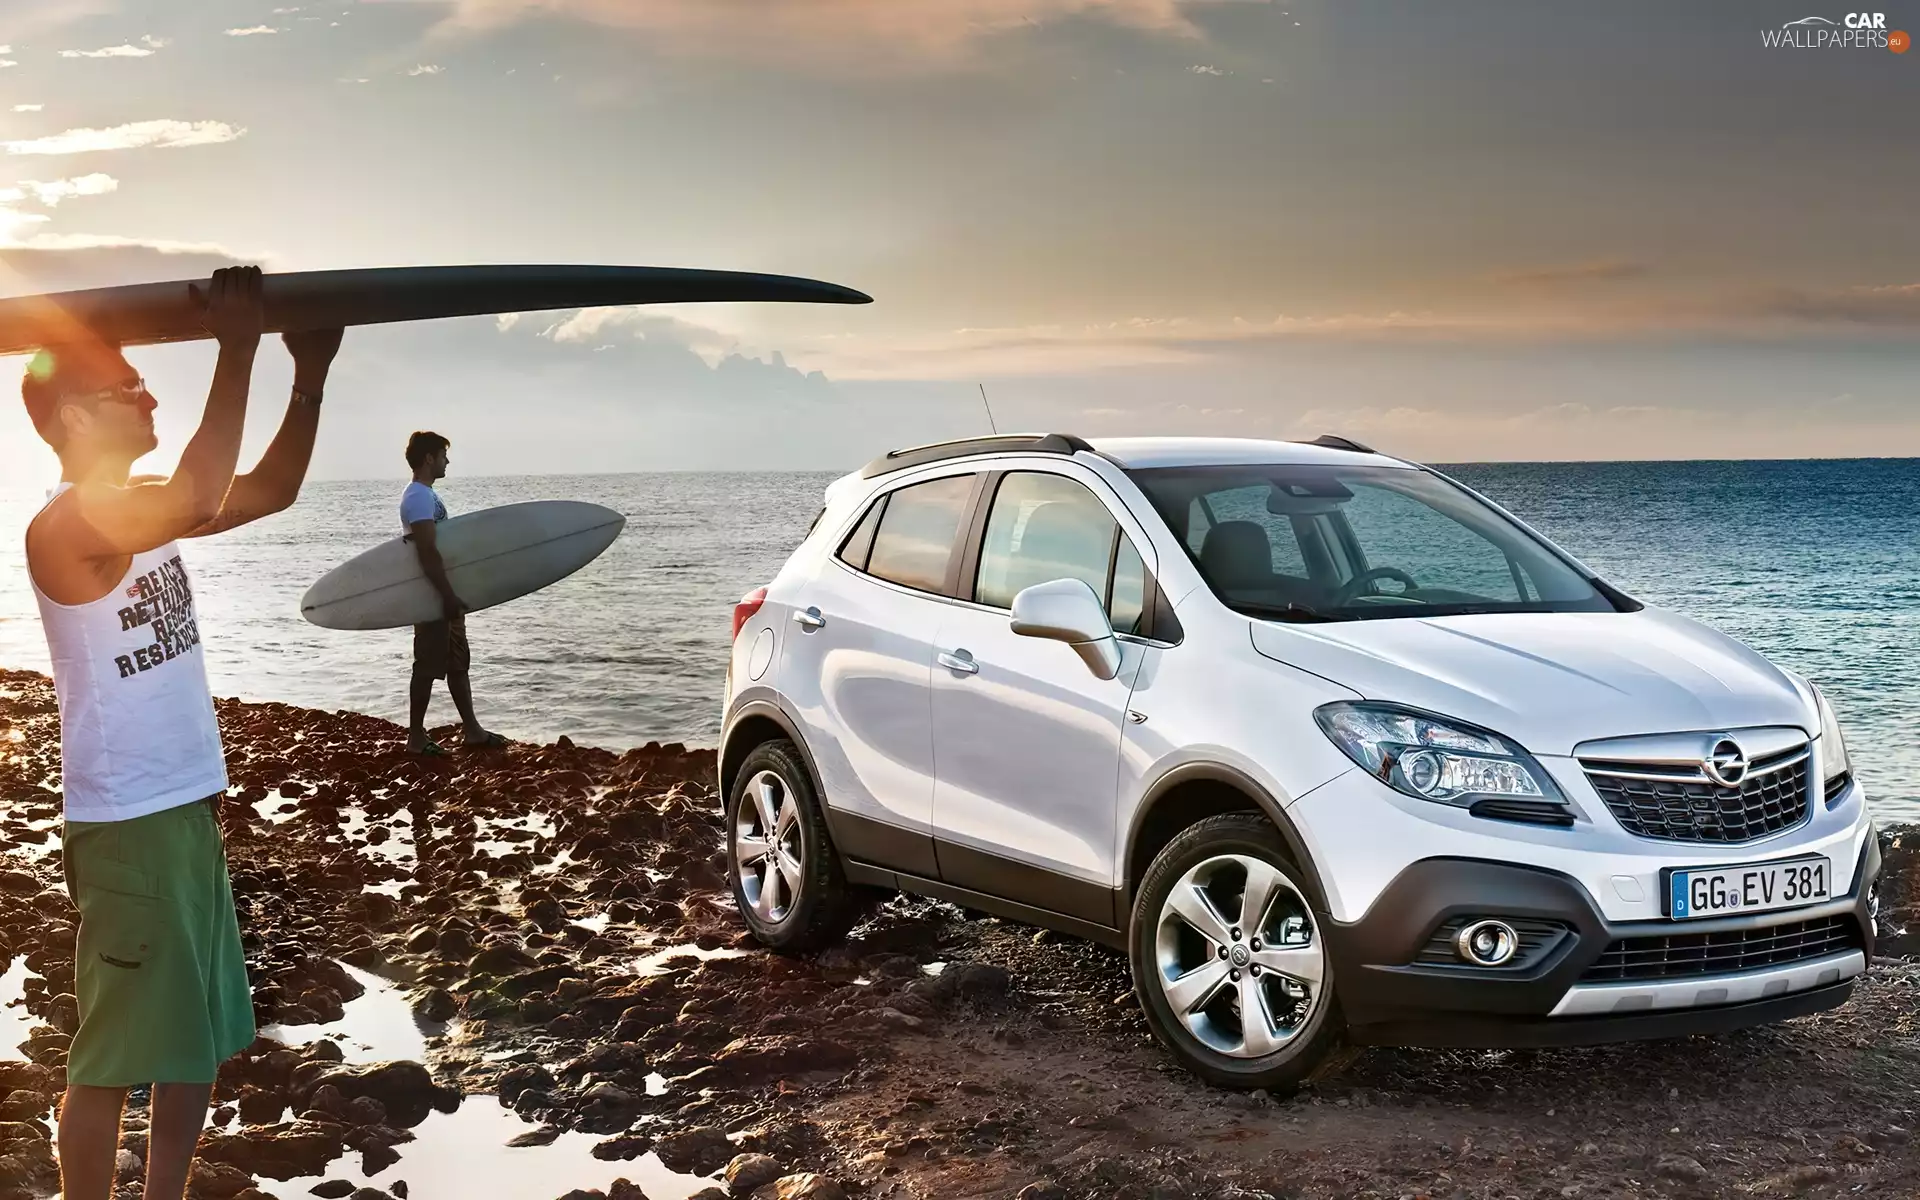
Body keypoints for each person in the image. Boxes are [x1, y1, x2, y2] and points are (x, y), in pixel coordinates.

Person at [20, 265, 343, 1200]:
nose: (149, 394)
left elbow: (269, 489)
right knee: (115, 1052)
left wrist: (308, 375)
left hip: (185, 807)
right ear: (76, 417)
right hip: (125, 822)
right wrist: (234, 344)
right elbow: (204, 494)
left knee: (194, 1035)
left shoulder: (148, 503)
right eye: (128, 388)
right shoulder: (67, 525)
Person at [400, 429, 504, 755]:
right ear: (429, 458)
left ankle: (472, 730)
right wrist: (445, 595)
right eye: (444, 454)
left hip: (445, 592)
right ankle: (415, 738)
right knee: (427, 666)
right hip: (433, 596)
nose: (448, 461)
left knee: (458, 663)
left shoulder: (425, 494)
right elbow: (427, 551)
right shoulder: (417, 496)